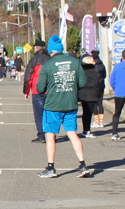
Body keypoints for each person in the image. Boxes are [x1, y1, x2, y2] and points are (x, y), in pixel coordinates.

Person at [35, 35, 95, 178]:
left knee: (50, 135)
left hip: (53, 105)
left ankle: (51, 167)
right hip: (70, 103)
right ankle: (83, 165)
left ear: (51, 50)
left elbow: (40, 87)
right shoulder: (75, 62)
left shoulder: (47, 65)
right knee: (72, 133)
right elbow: (82, 83)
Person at [23, 40, 51, 143]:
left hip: (37, 90)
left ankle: (41, 135)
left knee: (39, 114)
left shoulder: (33, 60)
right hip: (50, 89)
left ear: (36, 48)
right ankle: (50, 135)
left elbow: (28, 77)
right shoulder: (50, 59)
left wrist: (26, 91)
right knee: (50, 113)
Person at [78, 53, 106, 137]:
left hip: (83, 93)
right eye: (93, 61)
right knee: (89, 113)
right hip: (91, 93)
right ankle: (87, 130)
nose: (94, 62)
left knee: (85, 112)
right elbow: (96, 83)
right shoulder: (92, 70)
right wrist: (97, 92)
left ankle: (85, 130)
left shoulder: (81, 69)